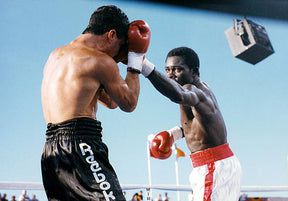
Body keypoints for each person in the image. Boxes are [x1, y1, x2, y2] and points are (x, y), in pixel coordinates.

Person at [41, 5, 151, 201]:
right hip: (81, 145)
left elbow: (111, 102)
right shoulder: (100, 61)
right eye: (121, 45)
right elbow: (128, 103)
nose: (118, 54)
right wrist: (134, 60)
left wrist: (115, 63)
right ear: (111, 34)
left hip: (51, 152)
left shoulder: (55, 56)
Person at [141, 47, 242, 200]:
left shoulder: (191, 90)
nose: (170, 75)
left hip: (212, 166)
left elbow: (179, 95)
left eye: (177, 70)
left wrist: (144, 67)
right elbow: (202, 124)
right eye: (167, 70)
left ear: (194, 72)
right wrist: (175, 134)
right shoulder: (199, 89)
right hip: (217, 164)